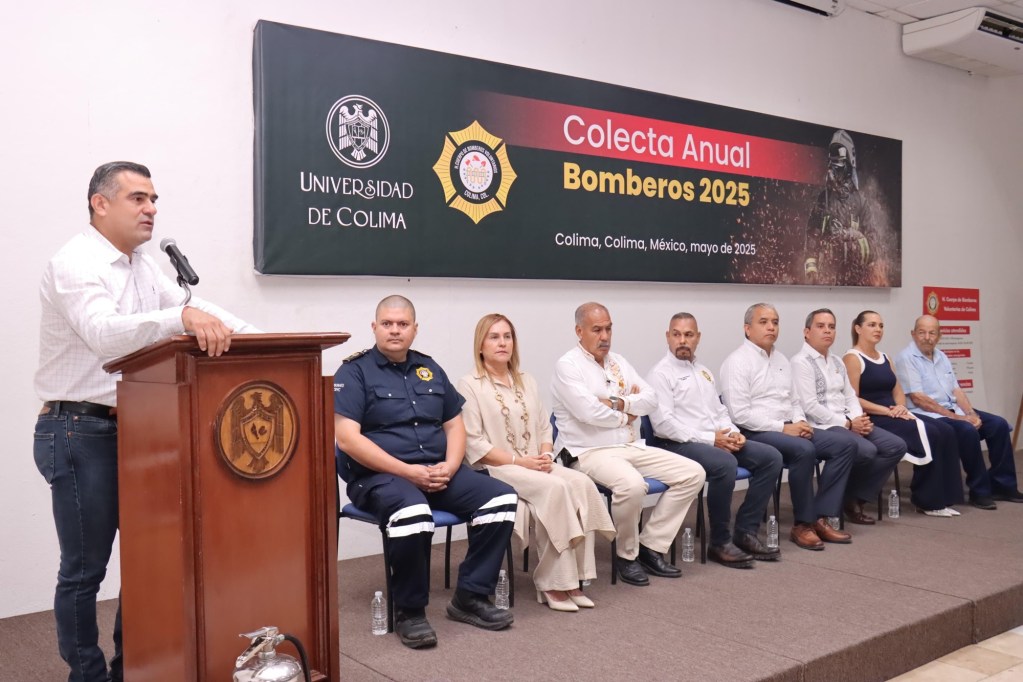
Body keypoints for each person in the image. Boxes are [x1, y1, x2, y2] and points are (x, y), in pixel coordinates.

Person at [33, 161, 259, 682]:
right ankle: (87, 676)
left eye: (154, 199)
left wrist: (273, 341)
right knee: (85, 570)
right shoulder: (75, 263)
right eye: (138, 198)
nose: (151, 209)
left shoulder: (142, 266)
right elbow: (105, 334)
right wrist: (179, 319)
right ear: (100, 204)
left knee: (145, 560)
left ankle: (129, 668)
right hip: (78, 431)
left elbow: (195, 307)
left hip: (137, 428)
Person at [334, 296, 518, 649]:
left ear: (414, 329)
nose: (395, 330)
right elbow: (348, 439)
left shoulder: (430, 368)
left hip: (436, 471)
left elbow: (454, 425)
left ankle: (470, 597)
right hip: (378, 476)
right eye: (387, 323)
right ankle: (410, 611)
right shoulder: (354, 372)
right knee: (413, 513)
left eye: (402, 324)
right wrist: (408, 472)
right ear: (374, 327)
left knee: (501, 499)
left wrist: (451, 466)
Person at [457, 314, 615, 612]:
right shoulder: (469, 385)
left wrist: (545, 454)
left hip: (535, 462)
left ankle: (576, 577)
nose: (502, 343)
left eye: (507, 336)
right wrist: (521, 461)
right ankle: (553, 583)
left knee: (581, 483)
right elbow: (474, 443)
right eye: (494, 337)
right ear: (480, 345)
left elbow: (544, 427)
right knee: (556, 489)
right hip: (498, 467)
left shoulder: (526, 380)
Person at [550, 303, 705, 586]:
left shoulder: (618, 362)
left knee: (693, 473)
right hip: (588, 451)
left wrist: (617, 403)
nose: (604, 336)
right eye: (597, 330)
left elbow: (651, 399)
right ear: (579, 331)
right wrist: (628, 414)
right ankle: (626, 555)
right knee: (632, 485)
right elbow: (588, 412)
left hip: (630, 446)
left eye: (608, 329)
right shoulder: (567, 366)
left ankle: (651, 545)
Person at [646, 313, 783, 568]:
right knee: (724, 464)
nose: (682, 340)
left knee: (771, 458)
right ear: (668, 337)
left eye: (688, 335)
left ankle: (746, 531)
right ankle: (719, 542)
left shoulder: (703, 372)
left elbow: (718, 412)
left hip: (713, 440)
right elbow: (664, 425)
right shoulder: (660, 374)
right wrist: (711, 440)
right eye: (677, 334)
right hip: (675, 444)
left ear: (698, 338)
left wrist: (733, 432)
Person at [719, 303, 856, 551]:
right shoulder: (737, 362)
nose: (771, 327)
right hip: (755, 431)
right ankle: (803, 524)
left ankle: (821, 517)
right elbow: (739, 414)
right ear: (747, 329)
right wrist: (783, 428)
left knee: (845, 444)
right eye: (763, 322)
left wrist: (799, 421)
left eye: (775, 322)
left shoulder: (781, 359)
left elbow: (793, 401)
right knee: (804, 450)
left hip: (788, 427)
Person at [843, 311, 962, 516]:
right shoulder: (852, 358)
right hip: (874, 416)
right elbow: (853, 399)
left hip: (894, 413)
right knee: (931, 433)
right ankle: (927, 501)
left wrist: (900, 407)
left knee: (945, 430)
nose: (878, 329)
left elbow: (897, 390)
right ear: (858, 329)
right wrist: (888, 411)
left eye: (881, 325)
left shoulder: (885, 357)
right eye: (872, 325)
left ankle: (945, 496)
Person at [791, 309, 905, 524]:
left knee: (895, 446)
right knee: (866, 450)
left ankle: (853, 497)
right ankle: (827, 509)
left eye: (832, 327)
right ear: (807, 332)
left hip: (849, 421)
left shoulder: (836, 361)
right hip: (822, 425)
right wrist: (848, 424)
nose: (827, 331)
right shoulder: (800, 362)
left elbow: (851, 396)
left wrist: (858, 420)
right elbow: (809, 406)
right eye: (821, 326)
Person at [896, 315, 1023, 508]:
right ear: (913, 334)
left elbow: (956, 390)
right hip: (927, 415)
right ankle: (979, 491)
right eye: (922, 332)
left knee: (998, 425)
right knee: (967, 430)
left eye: (932, 333)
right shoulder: (906, 358)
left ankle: (1003, 485)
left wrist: (970, 413)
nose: (927, 337)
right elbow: (919, 399)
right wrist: (960, 418)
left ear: (939, 336)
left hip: (950, 409)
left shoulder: (941, 356)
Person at [803, 130, 881, 286]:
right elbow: (812, 236)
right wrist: (812, 270)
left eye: (838, 162)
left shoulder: (861, 203)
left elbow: (874, 247)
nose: (833, 169)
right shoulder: (823, 200)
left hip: (856, 281)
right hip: (827, 279)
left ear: (849, 164)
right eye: (832, 162)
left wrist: (851, 235)